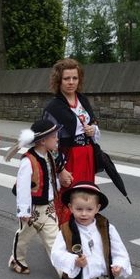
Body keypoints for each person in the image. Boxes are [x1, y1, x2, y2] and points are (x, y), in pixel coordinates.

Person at [43, 58, 100, 223]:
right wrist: (60, 169)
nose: (71, 82)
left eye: (74, 78)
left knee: (86, 197)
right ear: (59, 81)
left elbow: (93, 122)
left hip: (87, 156)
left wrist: (93, 129)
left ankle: (83, 232)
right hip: (68, 158)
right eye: (66, 78)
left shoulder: (83, 100)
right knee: (68, 198)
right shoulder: (53, 107)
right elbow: (49, 142)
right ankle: (65, 237)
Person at [5, 117, 62, 275]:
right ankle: (17, 260)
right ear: (43, 141)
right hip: (33, 209)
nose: (57, 139)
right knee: (23, 237)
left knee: (55, 239)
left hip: (49, 207)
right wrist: (24, 211)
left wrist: (57, 187)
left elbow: (51, 177)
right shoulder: (28, 161)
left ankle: (64, 269)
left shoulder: (49, 155)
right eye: (54, 136)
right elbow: (23, 188)